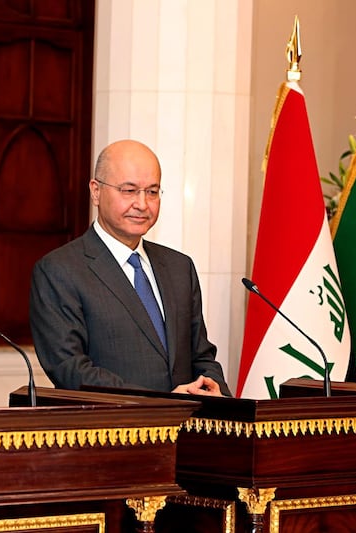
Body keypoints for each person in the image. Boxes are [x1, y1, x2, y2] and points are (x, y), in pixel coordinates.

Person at [29, 139, 231, 397]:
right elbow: (71, 369)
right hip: (112, 431)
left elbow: (201, 355)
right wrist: (164, 404)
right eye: (129, 191)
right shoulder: (59, 270)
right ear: (96, 191)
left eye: (152, 191)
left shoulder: (180, 268)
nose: (142, 204)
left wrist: (214, 388)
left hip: (187, 431)